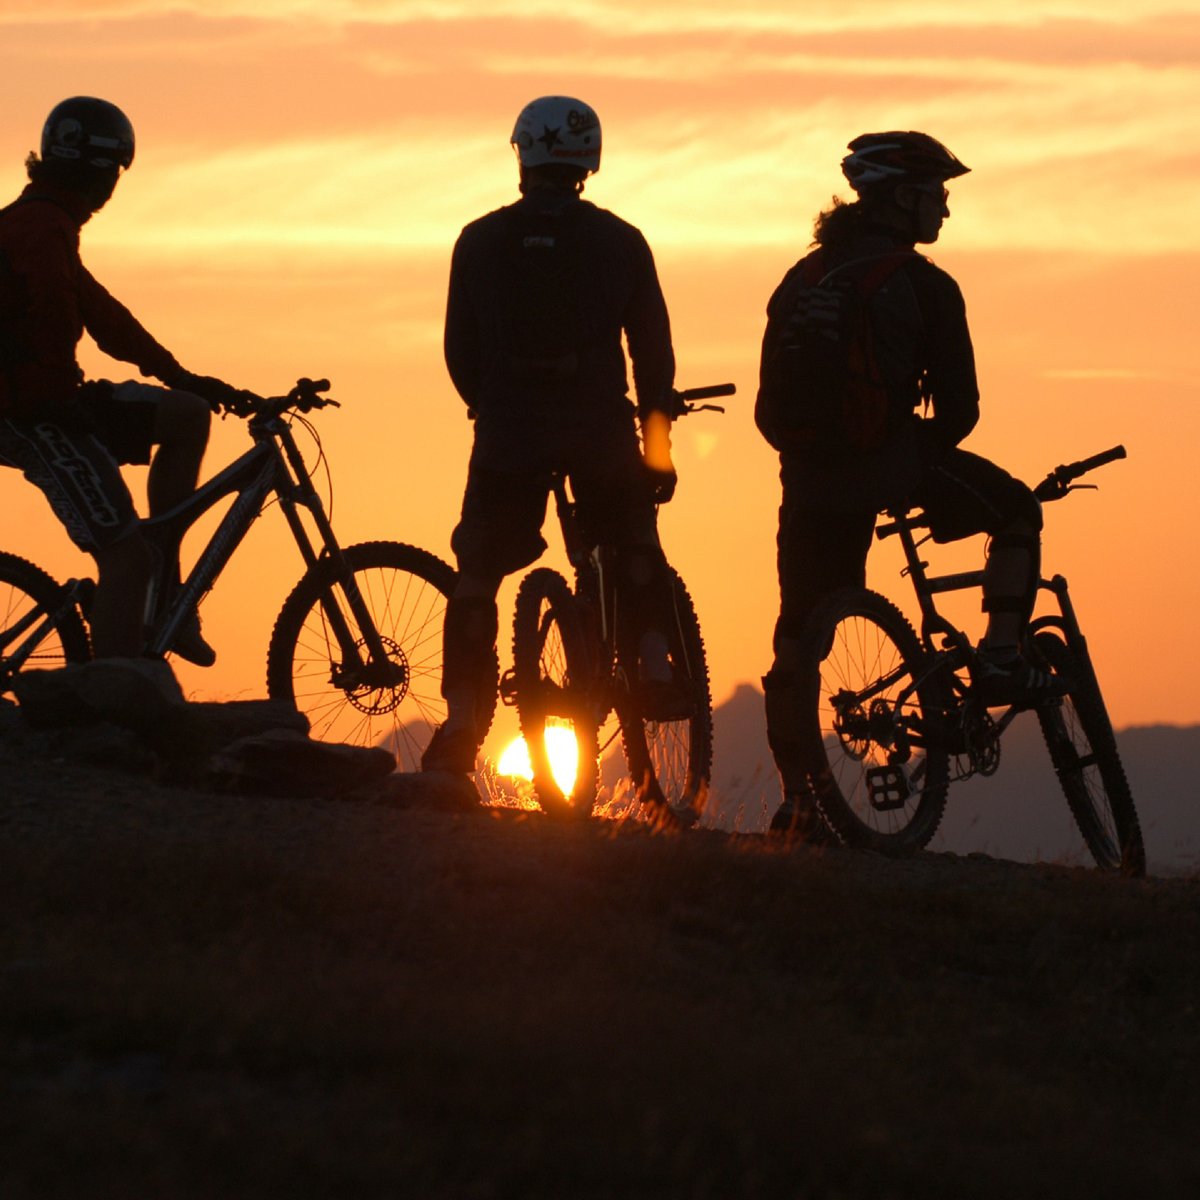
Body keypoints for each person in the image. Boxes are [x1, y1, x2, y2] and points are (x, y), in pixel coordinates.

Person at [755, 130, 1060, 833]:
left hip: (807, 480)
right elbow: (961, 411)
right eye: (938, 194)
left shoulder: (801, 279)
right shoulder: (925, 285)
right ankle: (1002, 658)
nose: (946, 210)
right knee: (1015, 510)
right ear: (902, 199)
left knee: (799, 637)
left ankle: (798, 800)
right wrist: (906, 446)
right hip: (893, 464)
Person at [422, 94, 680, 777]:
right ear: (588, 160)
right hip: (598, 428)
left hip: (509, 433)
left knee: (477, 574)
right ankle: (654, 662)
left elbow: (459, 349)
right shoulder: (620, 240)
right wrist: (658, 448)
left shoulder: (479, 240)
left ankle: (461, 725)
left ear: (522, 156)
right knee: (633, 537)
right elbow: (652, 355)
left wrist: (495, 408)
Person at [0, 96, 246, 665]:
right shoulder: (39, 229)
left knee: (187, 414)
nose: (113, 186)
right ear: (98, 172)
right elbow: (52, 322)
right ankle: (117, 698)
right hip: (33, 416)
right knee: (126, 558)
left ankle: (164, 598)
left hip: (50, 402)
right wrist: (68, 408)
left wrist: (182, 377)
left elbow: (103, 315)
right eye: (113, 172)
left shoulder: (44, 221)